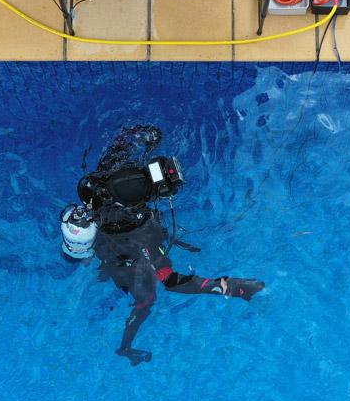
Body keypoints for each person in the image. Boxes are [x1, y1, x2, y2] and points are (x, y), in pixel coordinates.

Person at [70, 124, 265, 366]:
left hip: (105, 245)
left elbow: (122, 141)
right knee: (147, 299)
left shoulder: (107, 176)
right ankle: (125, 347)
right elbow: (172, 281)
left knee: (112, 270)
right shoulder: (143, 236)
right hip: (121, 256)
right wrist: (225, 286)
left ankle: (103, 277)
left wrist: (146, 138)